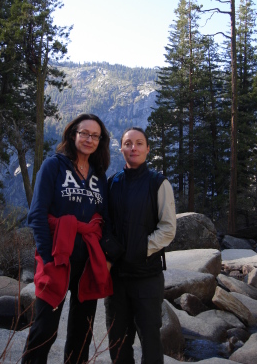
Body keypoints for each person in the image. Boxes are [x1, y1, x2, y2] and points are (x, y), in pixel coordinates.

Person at [22, 113, 112, 364]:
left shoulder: (99, 175)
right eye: (84, 133)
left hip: (88, 263)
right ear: (73, 135)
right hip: (57, 259)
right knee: (45, 331)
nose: (89, 139)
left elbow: (102, 219)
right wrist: (47, 257)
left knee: (82, 333)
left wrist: (104, 257)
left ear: (100, 141)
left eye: (95, 135)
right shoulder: (54, 165)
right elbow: (37, 214)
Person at [104, 127, 176, 364]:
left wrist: (141, 248)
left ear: (147, 149)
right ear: (121, 148)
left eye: (139, 143)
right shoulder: (112, 183)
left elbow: (168, 228)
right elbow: (104, 224)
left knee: (151, 342)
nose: (133, 148)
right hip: (116, 280)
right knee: (118, 342)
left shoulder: (158, 183)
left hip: (147, 277)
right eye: (128, 143)